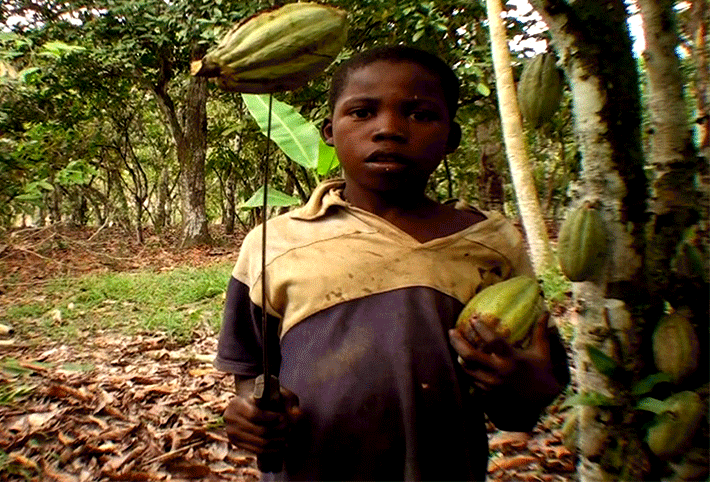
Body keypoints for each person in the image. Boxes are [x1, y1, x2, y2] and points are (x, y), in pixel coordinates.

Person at [214, 45, 570, 481]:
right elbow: (251, 369)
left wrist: (524, 387)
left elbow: (528, 398)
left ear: (452, 137)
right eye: (362, 112)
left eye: (419, 114)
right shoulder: (277, 243)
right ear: (329, 131)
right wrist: (251, 414)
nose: (389, 129)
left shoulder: (490, 243)